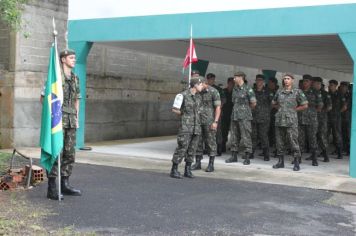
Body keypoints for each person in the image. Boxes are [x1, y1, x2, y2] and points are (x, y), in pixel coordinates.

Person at [41, 49, 82, 200]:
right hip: (57, 121)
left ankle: (65, 184)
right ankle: (52, 187)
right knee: (56, 152)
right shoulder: (55, 79)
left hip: (71, 120)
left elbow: (77, 98)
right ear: (63, 59)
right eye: (71, 57)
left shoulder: (76, 78)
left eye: (74, 57)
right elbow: (43, 99)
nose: (74, 60)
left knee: (69, 153)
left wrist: (76, 118)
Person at [272, 73, 308, 171]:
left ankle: (296, 162)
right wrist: (280, 109)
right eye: (284, 79)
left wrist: (294, 110)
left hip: (291, 121)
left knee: (293, 142)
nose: (286, 80)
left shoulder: (297, 92)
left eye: (288, 79)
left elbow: (305, 105)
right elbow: (273, 103)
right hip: (279, 120)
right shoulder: (279, 92)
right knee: (279, 142)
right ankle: (280, 162)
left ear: (292, 80)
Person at [170, 76, 204, 179]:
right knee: (182, 148)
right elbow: (174, 109)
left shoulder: (199, 97)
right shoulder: (182, 95)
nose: (202, 86)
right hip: (186, 128)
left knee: (192, 149)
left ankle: (187, 170)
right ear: (195, 85)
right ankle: (174, 169)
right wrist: (184, 114)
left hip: (196, 127)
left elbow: (200, 110)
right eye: (201, 84)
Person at [225, 71, 256, 165]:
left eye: (235, 77)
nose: (234, 79)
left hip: (245, 117)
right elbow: (234, 101)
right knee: (234, 136)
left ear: (241, 77)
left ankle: (247, 157)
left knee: (246, 136)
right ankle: (234, 156)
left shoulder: (248, 89)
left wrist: (245, 110)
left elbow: (253, 103)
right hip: (235, 116)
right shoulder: (235, 89)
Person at [192, 77, 221, 172]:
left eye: (200, 84)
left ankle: (211, 164)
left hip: (209, 121)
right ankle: (197, 163)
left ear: (205, 83)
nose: (199, 86)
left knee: (211, 143)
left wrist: (215, 121)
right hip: (198, 121)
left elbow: (218, 107)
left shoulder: (214, 91)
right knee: (197, 142)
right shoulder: (197, 91)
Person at [299, 75, 323, 166]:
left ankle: (314, 158)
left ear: (311, 82)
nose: (305, 83)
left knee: (312, 139)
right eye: (304, 81)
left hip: (311, 120)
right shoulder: (299, 92)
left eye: (307, 81)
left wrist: (312, 112)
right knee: (299, 139)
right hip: (300, 120)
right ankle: (298, 158)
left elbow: (320, 105)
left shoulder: (316, 92)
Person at [251, 74, 272, 161]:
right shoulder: (252, 91)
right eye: (257, 80)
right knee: (253, 136)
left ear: (263, 82)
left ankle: (266, 154)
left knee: (263, 136)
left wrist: (266, 112)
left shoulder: (268, 91)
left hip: (264, 118)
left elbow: (273, 104)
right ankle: (251, 153)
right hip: (254, 117)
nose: (259, 82)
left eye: (260, 80)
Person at [313, 77, 332, 162]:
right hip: (312, 118)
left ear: (320, 84)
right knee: (313, 137)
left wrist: (322, 111)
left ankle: (326, 155)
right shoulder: (311, 92)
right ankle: (314, 155)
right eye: (315, 83)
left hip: (322, 119)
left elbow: (329, 107)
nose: (316, 85)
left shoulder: (325, 94)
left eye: (318, 84)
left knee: (322, 136)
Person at [206, 73, 225, 156]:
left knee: (218, 131)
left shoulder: (218, 89)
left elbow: (224, 100)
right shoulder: (204, 88)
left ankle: (219, 149)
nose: (211, 80)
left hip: (216, 112)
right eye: (209, 79)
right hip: (207, 113)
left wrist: (219, 106)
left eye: (212, 79)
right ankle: (207, 148)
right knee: (207, 131)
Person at [328, 80, 346, 159]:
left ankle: (339, 152)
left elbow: (344, 107)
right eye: (329, 85)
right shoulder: (328, 94)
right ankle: (324, 151)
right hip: (327, 118)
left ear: (335, 86)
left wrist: (338, 113)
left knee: (337, 135)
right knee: (325, 135)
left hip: (336, 118)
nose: (330, 86)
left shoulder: (340, 95)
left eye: (332, 85)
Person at [221, 77, 234, 153]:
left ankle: (233, 147)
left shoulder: (235, 92)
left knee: (234, 132)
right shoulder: (223, 91)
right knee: (224, 131)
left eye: (233, 83)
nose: (231, 84)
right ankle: (223, 145)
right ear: (228, 83)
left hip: (233, 114)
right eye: (230, 83)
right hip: (225, 114)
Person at [339, 81, 351, 155]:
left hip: (348, 118)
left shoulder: (349, 96)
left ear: (347, 88)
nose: (343, 88)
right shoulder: (339, 95)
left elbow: (345, 106)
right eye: (342, 86)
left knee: (348, 134)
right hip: (340, 118)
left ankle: (349, 149)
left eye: (344, 87)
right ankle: (342, 148)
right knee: (341, 133)